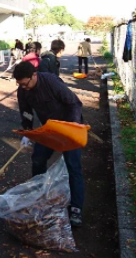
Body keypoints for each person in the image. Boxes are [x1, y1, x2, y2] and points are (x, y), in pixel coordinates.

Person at [14, 61, 85, 227]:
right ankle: (38, 194)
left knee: (73, 166)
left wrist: (73, 126)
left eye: (25, 84)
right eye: (20, 85)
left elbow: (74, 103)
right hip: (50, 128)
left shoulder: (51, 82)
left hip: (69, 127)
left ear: (34, 75)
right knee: (38, 158)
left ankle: (76, 208)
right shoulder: (23, 91)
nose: (23, 87)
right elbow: (26, 111)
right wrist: (27, 131)